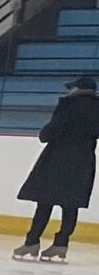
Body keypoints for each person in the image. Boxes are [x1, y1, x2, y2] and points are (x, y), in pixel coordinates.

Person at [14, 73, 99, 261]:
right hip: (83, 162)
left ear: (78, 89)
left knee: (44, 202)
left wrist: (44, 134)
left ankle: (32, 242)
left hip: (58, 159)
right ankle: (61, 244)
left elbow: (50, 132)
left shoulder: (69, 106)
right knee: (71, 205)